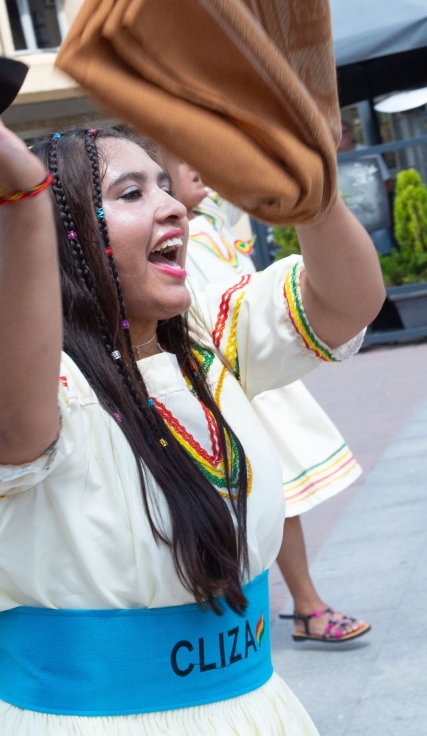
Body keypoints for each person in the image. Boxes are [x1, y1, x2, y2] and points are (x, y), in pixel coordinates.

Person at [0, 98, 384, 735]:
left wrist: (313, 195)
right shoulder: (24, 375)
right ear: (67, 234)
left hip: (255, 712)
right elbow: (13, 431)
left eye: (163, 183)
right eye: (131, 193)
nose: (174, 202)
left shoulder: (205, 340)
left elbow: (348, 303)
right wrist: (21, 200)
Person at [165, 156, 370, 645]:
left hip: (249, 375)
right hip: (216, 382)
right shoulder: (177, 239)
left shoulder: (212, 220)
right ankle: (297, 606)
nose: (195, 166)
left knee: (274, 494)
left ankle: (295, 604)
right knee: (252, 497)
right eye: (173, 161)